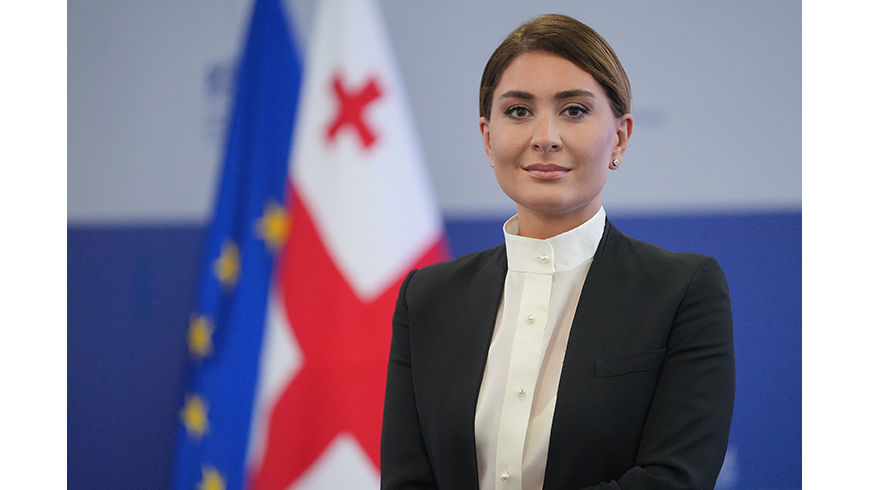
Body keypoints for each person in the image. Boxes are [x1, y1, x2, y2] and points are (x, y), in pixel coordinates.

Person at [381, 13, 735, 490]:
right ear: (488, 138)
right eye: (518, 111)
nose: (545, 137)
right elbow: (406, 480)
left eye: (573, 110)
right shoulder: (428, 297)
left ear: (620, 137)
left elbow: (674, 479)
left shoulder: (682, 290)